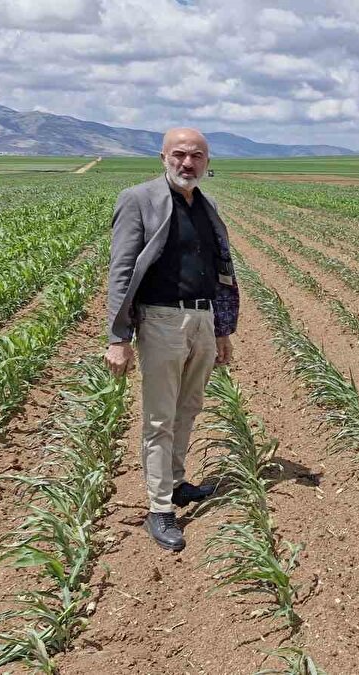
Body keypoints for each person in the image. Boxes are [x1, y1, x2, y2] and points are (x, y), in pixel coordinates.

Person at [104, 127, 239, 552]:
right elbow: (122, 270)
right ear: (162, 156)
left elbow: (219, 269)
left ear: (207, 161)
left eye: (196, 156)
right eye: (179, 154)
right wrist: (118, 336)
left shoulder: (204, 204)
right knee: (160, 417)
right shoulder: (138, 199)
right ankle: (160, 507)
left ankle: (177, 482)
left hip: (201, 318)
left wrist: (221, 329)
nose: (187, 163)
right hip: (161, 320)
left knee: (190, 407)